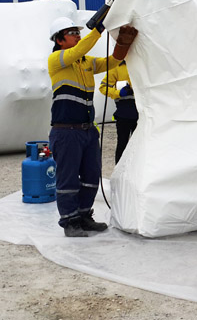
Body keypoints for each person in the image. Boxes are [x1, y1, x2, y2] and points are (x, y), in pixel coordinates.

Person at [47, 17, 138, 237]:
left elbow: (112, 61)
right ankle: (70, 221)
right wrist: (98, 28)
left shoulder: (85, 62)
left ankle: (84, 216)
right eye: (72, 33)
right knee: (68, 179)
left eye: (78, 33)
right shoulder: (57, 59)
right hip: (66, 130)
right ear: (59, 40)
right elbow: (80, 50)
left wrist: (123, 45)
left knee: (91, 175)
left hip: (87, 130)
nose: (77, 36)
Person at [99, 63, 138, 163]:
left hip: (141, 114)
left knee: (140, 145)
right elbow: (103, 87)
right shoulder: (116, 67)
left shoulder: (140, 64)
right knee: (122, 144)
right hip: (124, 114)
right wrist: (118, 93)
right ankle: (119, 173)